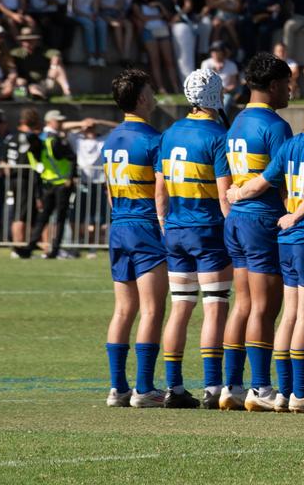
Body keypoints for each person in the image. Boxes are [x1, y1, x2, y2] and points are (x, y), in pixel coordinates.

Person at [228, 87, 304, 414]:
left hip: (287, 240)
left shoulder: (290, 144)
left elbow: (259, 184)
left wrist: (235, 195)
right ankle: (301, 393)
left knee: (290, 316)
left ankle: (283, 392)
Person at [220, 54, 293, 412]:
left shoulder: (236, 122)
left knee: (244, 304)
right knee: (265, 308)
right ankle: (261, 387)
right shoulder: (276, 126)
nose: (291, 90)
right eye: (288, 83)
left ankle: (231, 385)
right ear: (275, 84)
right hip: (263, 219)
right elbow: (284, 180)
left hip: (237, 220)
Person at [157, 68, 233, 409]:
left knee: (180, 308)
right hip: (208, 229)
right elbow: (224, 194)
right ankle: (213, 386)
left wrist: (164, 224)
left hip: (175, 228)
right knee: (215, 307)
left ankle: (173, 386)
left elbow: (160, 189)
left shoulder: (171, 132)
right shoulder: (218, 135)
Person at [100, 69, 167, 407]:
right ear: (141, 98)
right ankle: (144, 389)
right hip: (144, 227)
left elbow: (111, 193)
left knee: (124, 309)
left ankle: (117, 388)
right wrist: (163, 225)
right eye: (151, 91)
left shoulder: (110, 139)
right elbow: (160, 192)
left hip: (119, 226)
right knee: (153, 309)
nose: (154, 96)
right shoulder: (154, 140)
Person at [25, 108, 76, 259]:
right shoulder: (48, 138)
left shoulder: (50, 138)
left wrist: (70, 178)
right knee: (46, 217)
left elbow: (71, 158)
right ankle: (32, 246)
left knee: (57, 217)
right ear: (49, 121)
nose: (60, 123)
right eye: (58, 120)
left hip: (59, 183)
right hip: (51, 183)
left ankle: (53, 249)